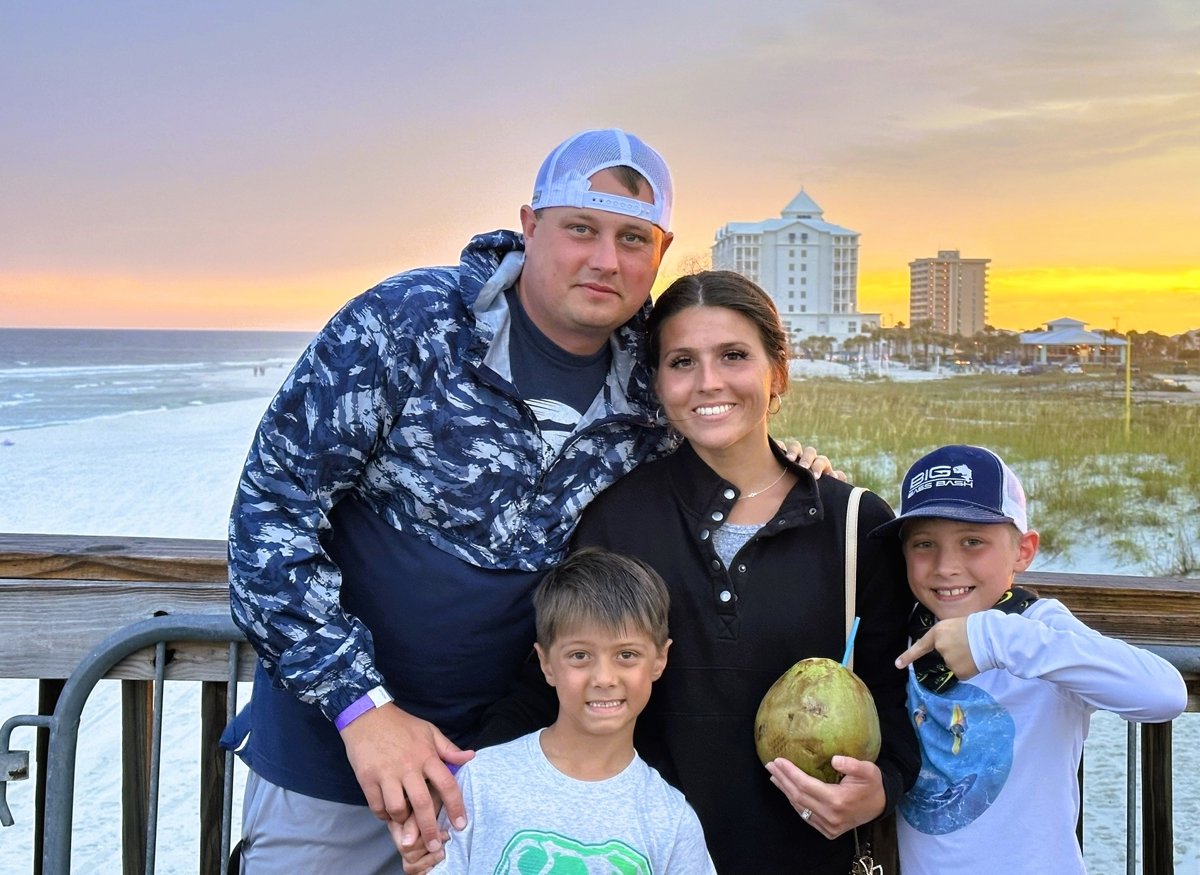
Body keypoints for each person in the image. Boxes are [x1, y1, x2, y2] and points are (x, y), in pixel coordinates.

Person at [224, 129, 832, 873]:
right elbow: (271, 513)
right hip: (338, 756)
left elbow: (722, 423)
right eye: (581, 228)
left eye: (632, 239)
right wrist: (361, 707)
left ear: (661, 252)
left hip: (513, 775)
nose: (605, 259)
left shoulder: (655, 376)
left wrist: (792, 466)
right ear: (531, 225)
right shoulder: (409, 323)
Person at [463, 271, 920, 874]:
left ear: (777, 372)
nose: (709, 381)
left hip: (808, 859)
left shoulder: (856, 523)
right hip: (639, 855)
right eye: (682, 362)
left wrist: (883, 786)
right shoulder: (619, 519)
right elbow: (551, 678)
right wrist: (459, 785)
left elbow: (894, 689)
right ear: (657, 383)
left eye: (734, 355)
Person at [878, 444, 1188, 874]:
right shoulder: (901, 627)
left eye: (972, 542)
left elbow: (1164, 694)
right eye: (924, 544)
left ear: (1023, 551)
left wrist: (996, 639)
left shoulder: (1038, 628)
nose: (946, 566)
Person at [427, 547, 717, 873]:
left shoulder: (671, 821)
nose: (604, 678)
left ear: (659, 660)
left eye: (626, 655)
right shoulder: (482, 782)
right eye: (580, 656)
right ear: (546, 663)